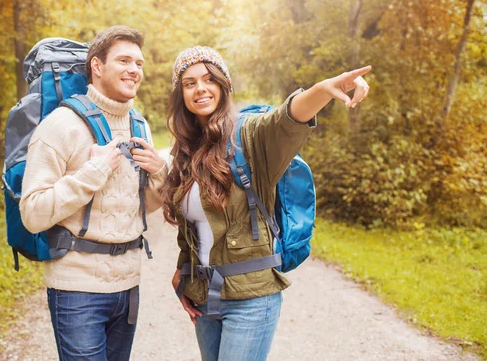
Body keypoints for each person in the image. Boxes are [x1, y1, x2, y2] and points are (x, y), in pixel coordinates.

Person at [163, 46, 370, 361]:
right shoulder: (186, 150)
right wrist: (184, 269)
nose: (200, 88)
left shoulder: (250, 136)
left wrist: (323, 90)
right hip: (205, 297)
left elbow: (287, 119)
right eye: (189, 83)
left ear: (223, 85)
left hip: (251, 300)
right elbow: (194, 223)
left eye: (209, 79)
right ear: (181, 94)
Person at [19, 26, 167, 361]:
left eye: (139, 63)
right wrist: (94, 172)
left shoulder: (139, 126)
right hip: (77, 290)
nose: (134, 70)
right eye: (124, 60)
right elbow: (32, 213)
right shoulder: (60, 125)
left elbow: (144, 205)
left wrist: (158, 173)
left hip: (128, 287)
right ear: (96, 66)